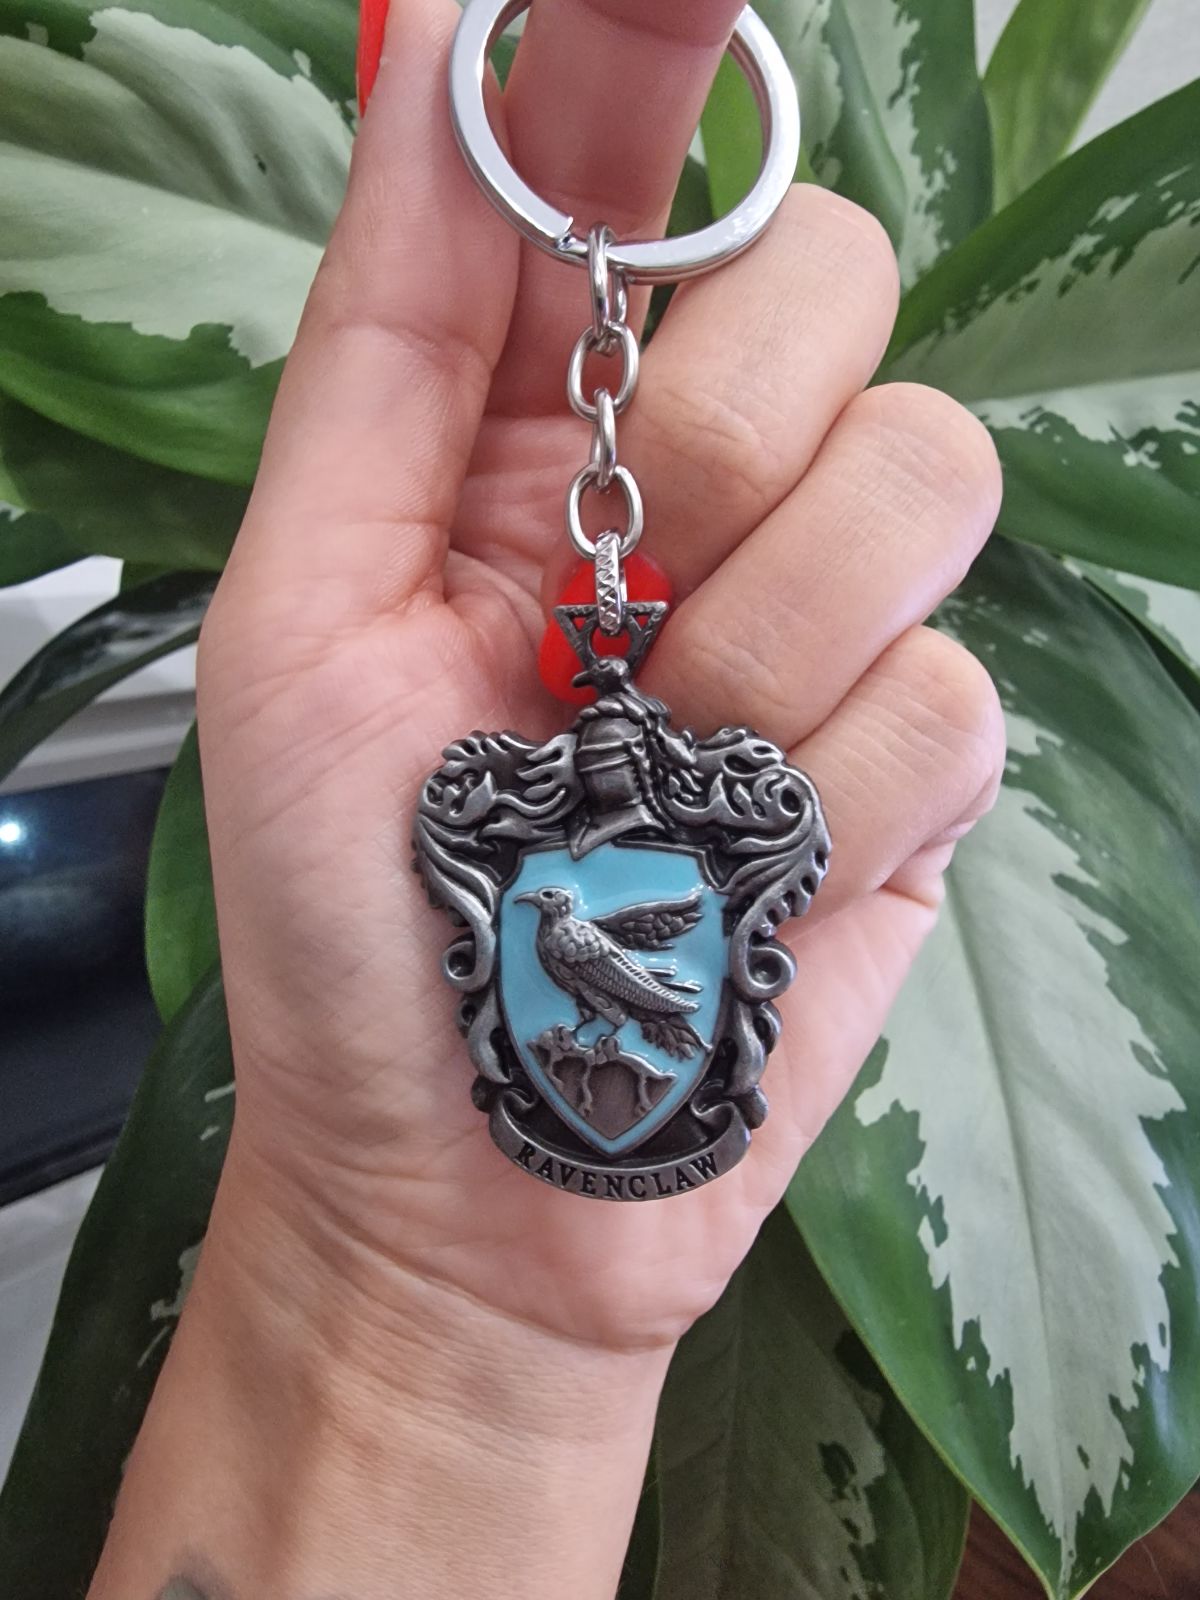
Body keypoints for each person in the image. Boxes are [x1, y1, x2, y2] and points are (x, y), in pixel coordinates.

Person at [87, 0, 1004, 1594]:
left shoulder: (575, 910)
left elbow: (640, 953)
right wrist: (399, 1291)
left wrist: (470, 1337)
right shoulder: (544, 900)